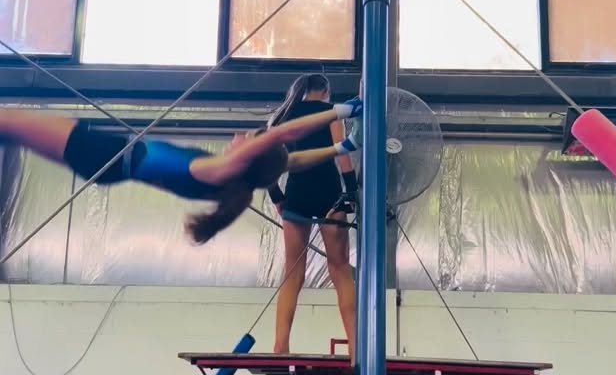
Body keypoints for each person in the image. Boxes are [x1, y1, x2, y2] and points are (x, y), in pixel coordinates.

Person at [0, 99, 362, 247]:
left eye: (250, 138)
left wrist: (340, 110)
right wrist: (338, 150)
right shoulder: (235, 179)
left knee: (7, 120)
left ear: (251, 156)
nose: (241, 136)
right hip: (106, 157)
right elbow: (290, 161)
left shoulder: (223, 170)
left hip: (102, 155)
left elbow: (284, 134)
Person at [266, 73, 359, 361]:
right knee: (340, 269)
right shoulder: (330, 113)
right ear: (325, 91)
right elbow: (341, 153)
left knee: (292, 273)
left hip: (297, 192)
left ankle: (280, 345)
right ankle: (356, 349)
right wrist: (351, 192)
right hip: (329, 192)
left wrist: (277, 197)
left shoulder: (283, 115)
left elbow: (266, 160)